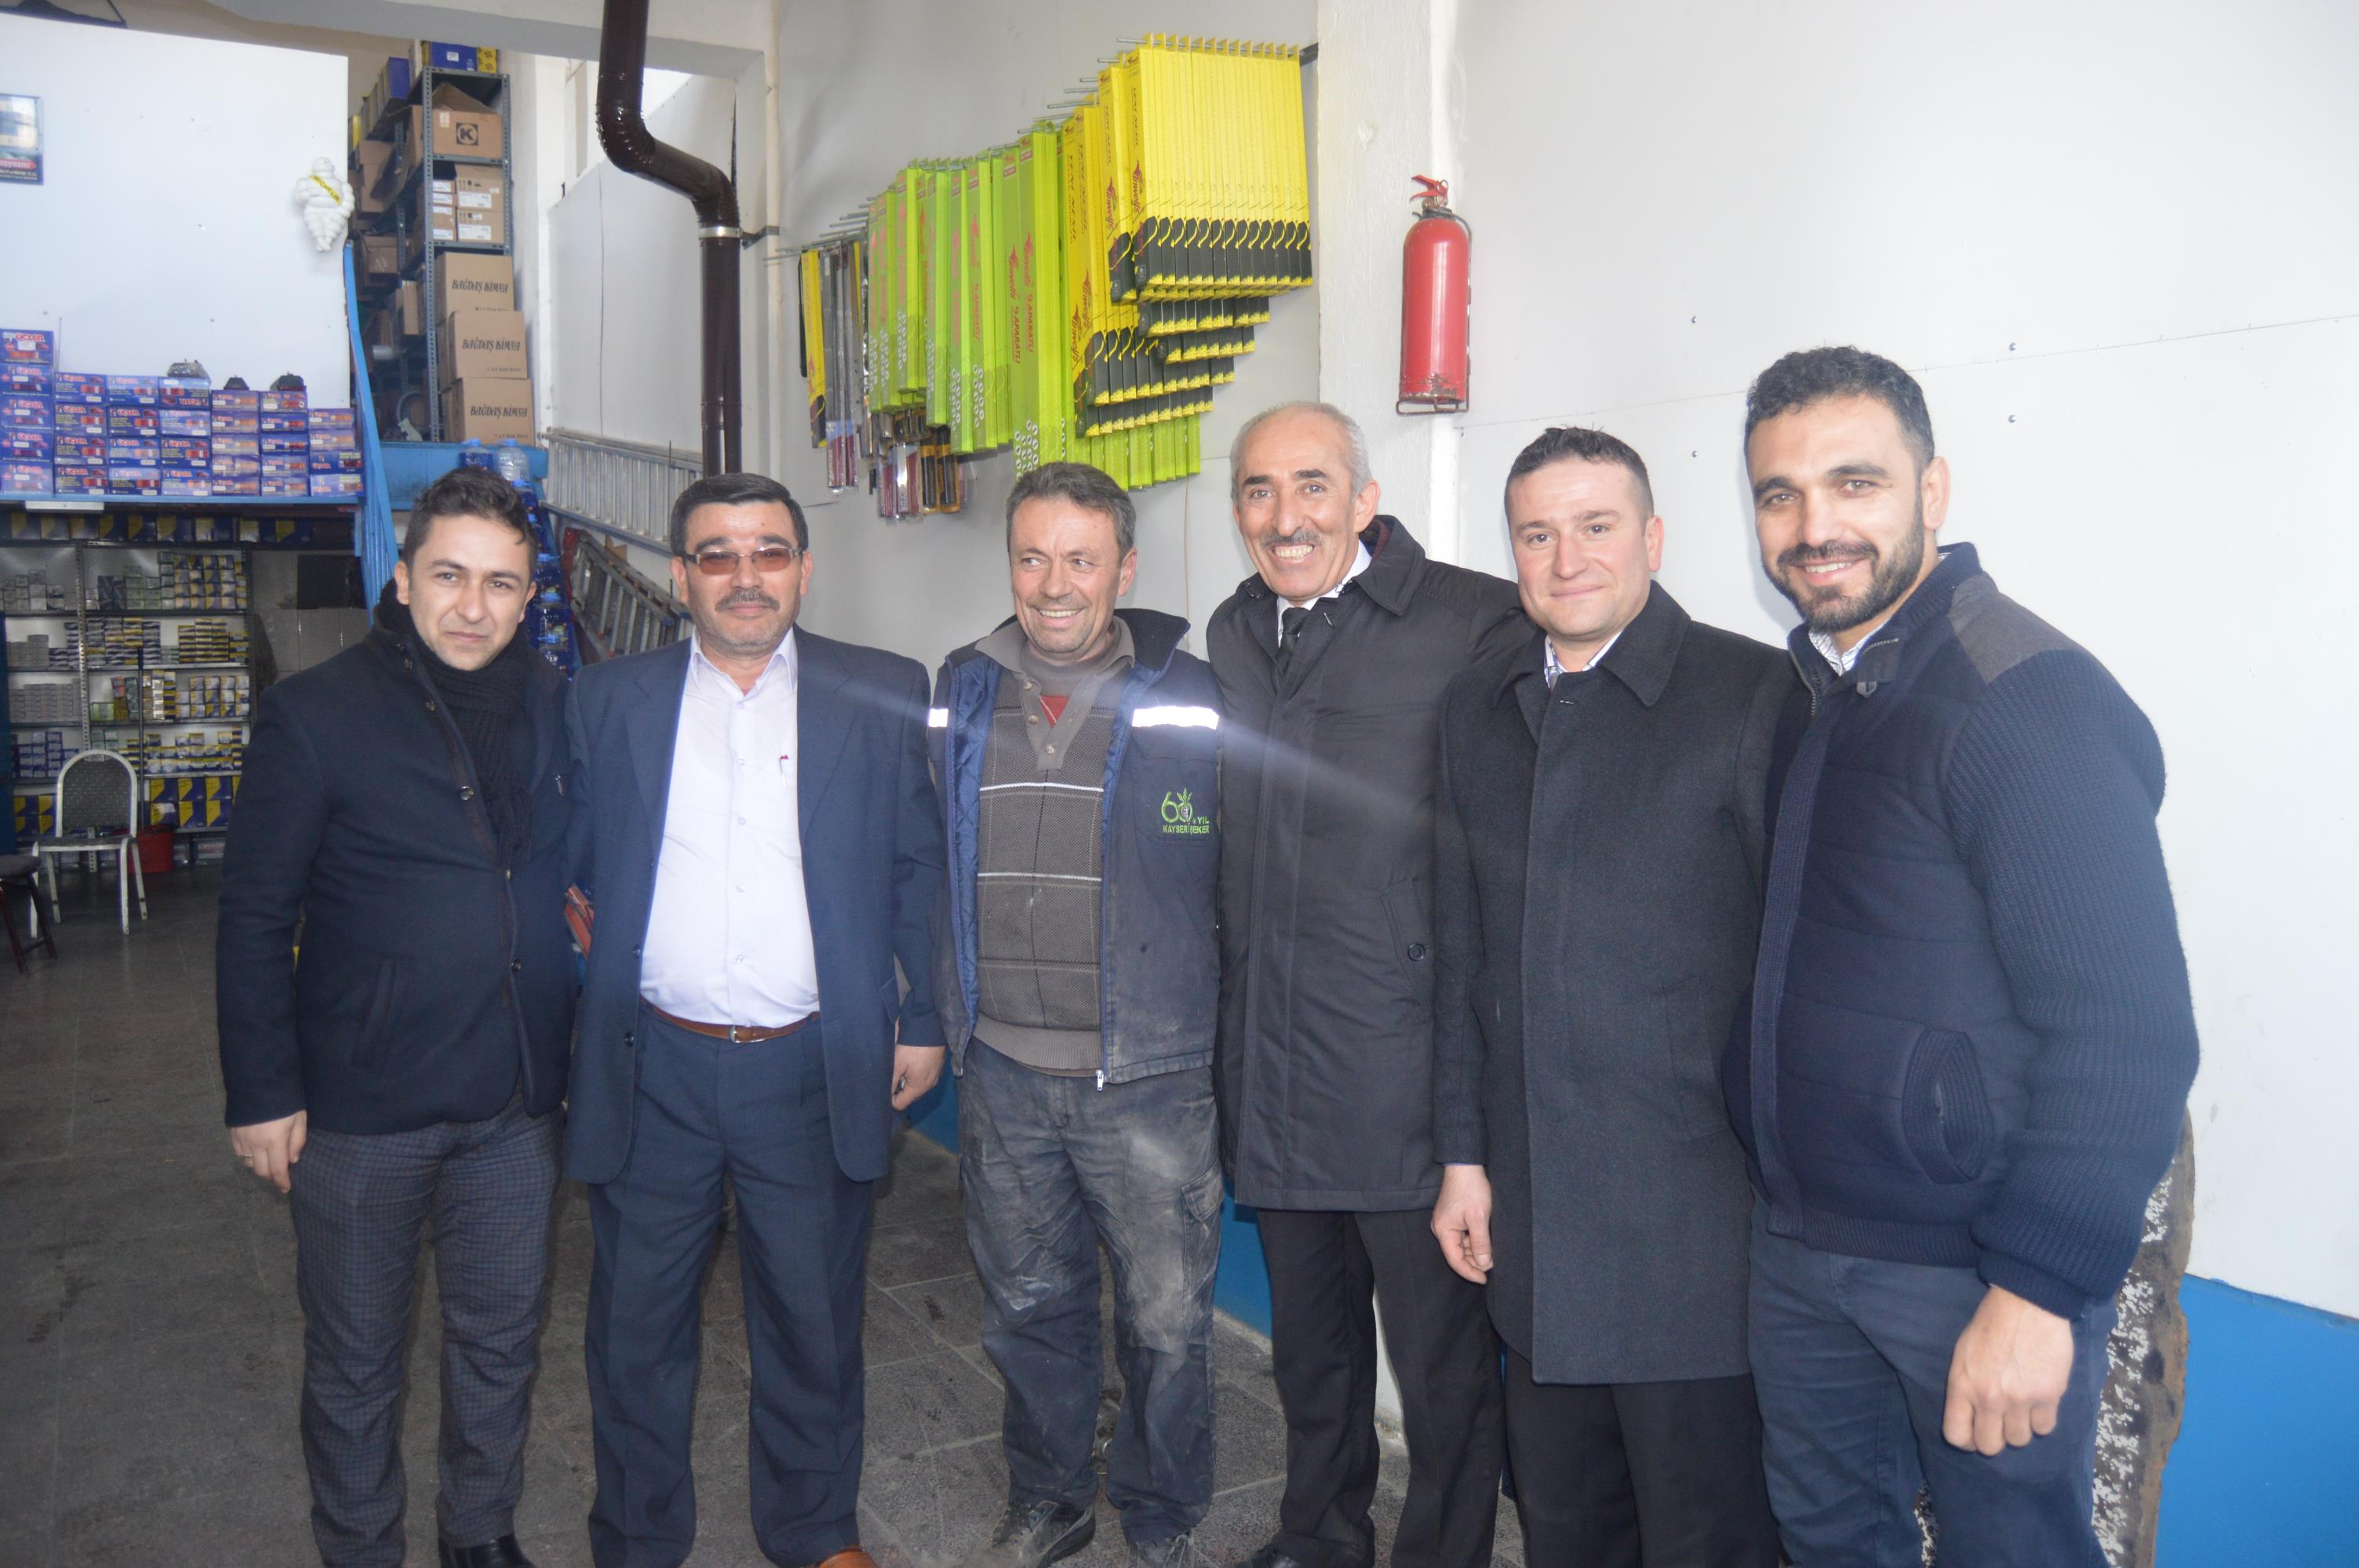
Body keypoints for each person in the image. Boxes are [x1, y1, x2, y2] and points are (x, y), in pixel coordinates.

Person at [1728, 346, 2200, 1566]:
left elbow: (2128, 1032)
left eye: (1855, 483)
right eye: (1780, 494)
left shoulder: (2022, 697)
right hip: (1806, 1245)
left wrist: (2035, 1291)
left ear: (1932, 490)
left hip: (1970, 1268)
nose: (1815, 526)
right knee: (1831, 1541)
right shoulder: (1826, 692)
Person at [563, 472, 944, 1568]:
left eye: (769, 552)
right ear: (681, 574)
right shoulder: (606, 701)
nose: (745, 577)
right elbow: (572, 867)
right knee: (635, 1330)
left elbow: (918, 867)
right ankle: (637, 1539)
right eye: (717, 555)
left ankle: (816, 1533)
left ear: (804, 570)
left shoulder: (880, 691)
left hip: (810, 1067)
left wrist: (924, 1016)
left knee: (812, 1321)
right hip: (653, 1065)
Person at [1428, 426, 1788, 1566]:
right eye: (1537, 534)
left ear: (1654, 538)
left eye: (1596, 526)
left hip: (1697, 1237)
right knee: (1567, 1526)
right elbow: (1462, 950)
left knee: (1705, 1535)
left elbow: (1801, 968)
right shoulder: (1479, 708)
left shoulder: (1753, 694)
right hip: (1536, 1228)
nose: (1567, 558)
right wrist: (1462, 1156)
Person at [217, 465, 576, 1568]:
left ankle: (479, 1535)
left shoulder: (559, 703)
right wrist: (261, 1091)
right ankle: (362, 1549)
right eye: (450, 576)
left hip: (515, 1102)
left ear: (529, 595)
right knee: (357, 1364)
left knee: (499, 1344)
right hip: (359, 1112)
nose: (473, 607)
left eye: (500, 583)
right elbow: (253, 913)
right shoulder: (315, 714)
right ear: (405, 577)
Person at [1207, 402, 1524, 1568]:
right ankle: (1319, 1536)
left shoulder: (1471, 621)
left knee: (1443, 1375)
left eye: (1312, 485)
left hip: (1407, 1081)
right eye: (1258, 490)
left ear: (1364, 500)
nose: (1284, 516)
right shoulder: (1237, 630)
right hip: (1275, 1073)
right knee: (1313, 1355)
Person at [930, 461, 1224, 1568]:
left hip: (1148, 1074)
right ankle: (1051, 1497)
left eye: (1081, 560)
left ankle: (1162, 1513)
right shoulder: (960, 685)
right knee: (1028, 1307)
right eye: (1033, 558)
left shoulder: (1198, 692)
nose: (1055, 585)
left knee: (1167, 1322)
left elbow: (1244, 869)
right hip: (1003, 1070)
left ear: (1125, 569)